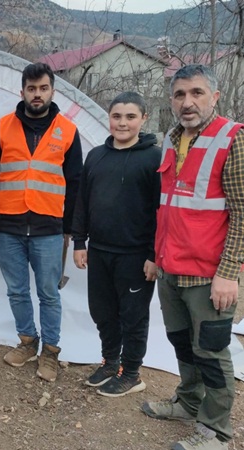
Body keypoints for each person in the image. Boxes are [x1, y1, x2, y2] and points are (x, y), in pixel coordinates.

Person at [141, 65, 244, 450]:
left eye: (196, 93)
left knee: (210, 352)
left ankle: (216, 432)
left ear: (214, 96)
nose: (187, 102)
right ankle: (188, 403)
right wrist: (157, 257)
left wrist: (228, 274)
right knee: (181, 344)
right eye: (179, 94)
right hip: (171, 269)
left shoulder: (233, 138)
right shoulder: (172, 139)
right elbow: (169, 207)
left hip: (209, 276)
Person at [0, 62, 83, 382]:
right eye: (31, 89)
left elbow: (76, 184)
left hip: (49, 230)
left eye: (43, 88)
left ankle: (50, 352)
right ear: (21, 91)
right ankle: (27, 341)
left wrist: (71, 231)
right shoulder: (3, 128)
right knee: (17, 291)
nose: (37, 94)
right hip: (8, 227)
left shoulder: (68, 131)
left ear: (52, 90)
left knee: (49, 293)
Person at [71, 91, 160, 397]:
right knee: (102, 311)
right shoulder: (96, 155)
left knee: (133, 316)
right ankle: (111, 362)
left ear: (143, 119)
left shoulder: (154, 159)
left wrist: (153, 255)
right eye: (117, 116)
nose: (122, 123)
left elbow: (161, 211)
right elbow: (82, 202)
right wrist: (79, 242)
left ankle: (132, 373)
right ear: (109, 118)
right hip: (99, 250)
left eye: (130, 117)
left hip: (135, 255)